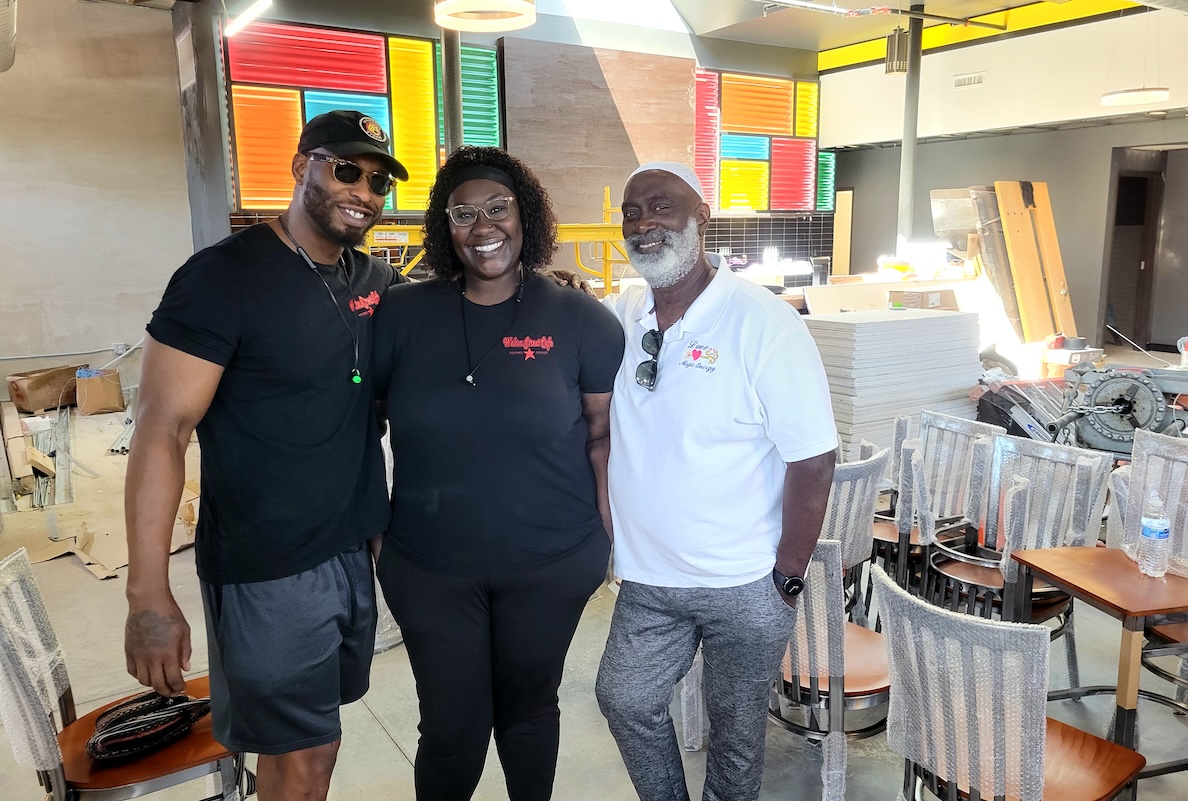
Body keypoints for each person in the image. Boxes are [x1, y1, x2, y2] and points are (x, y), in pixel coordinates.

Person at [124, 110, 409, 801]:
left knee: (313, 747)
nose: (363, 191)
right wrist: (148, 592)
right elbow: (162, 429)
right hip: (268, 568)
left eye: (377, 180)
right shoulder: (222, 278)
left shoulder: (374, 279)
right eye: (346, 169)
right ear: (300, 165)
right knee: (305, 757)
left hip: (349, 557)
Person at [370, 146, 625, 801]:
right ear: (444, 226)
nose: (484, 227)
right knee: (453, 727)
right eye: (464, 213)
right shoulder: (400, 315)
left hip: (551, 562)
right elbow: (359, 426)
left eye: (498, 208)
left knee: (530, 709)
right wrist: (373, 525)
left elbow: (604, 434)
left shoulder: (579, 320)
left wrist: (605, 537)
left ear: (525, 215)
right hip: (429, 567)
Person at [595, 162, 838, 801]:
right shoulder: (622, 315)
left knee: (734, 746)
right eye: (632, 211)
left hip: (744, 582)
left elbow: (813, 458)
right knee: (624, 699)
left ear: (701, 218)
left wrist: (785, 578)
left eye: (662, 207)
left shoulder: (762, 322)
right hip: (649, 581)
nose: (644, 223)